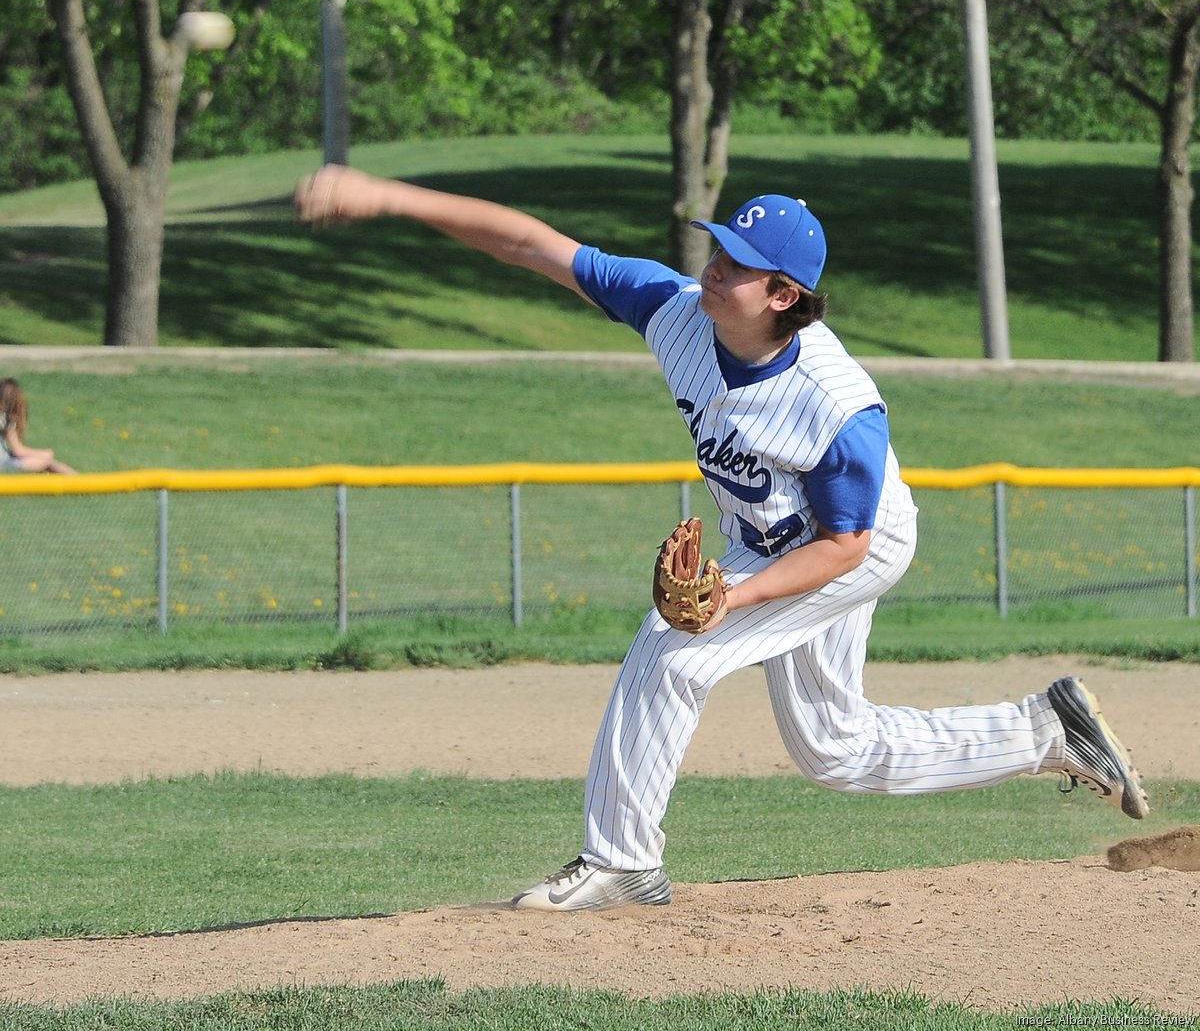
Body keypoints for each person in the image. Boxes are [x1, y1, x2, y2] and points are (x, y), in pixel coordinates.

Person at [295, 164, 1149, 913]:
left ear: (784, 296)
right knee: (834, 749)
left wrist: (732, 594)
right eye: (719, 248)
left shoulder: (838, 407)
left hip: (852, 540)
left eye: (739, 265)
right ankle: (1048, 732)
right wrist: (384, 196)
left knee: (674, 647)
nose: (715, 267)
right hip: (776, 538)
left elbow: (846, 547)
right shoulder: (673, 310)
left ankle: (622, 863)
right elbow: (529, 245)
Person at [0, 378, 77, 475]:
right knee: (47, 462)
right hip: (4, 464)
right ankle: (83, 484)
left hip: (4, 461)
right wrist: (43, 453)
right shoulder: (5, 419)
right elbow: (18, 450)